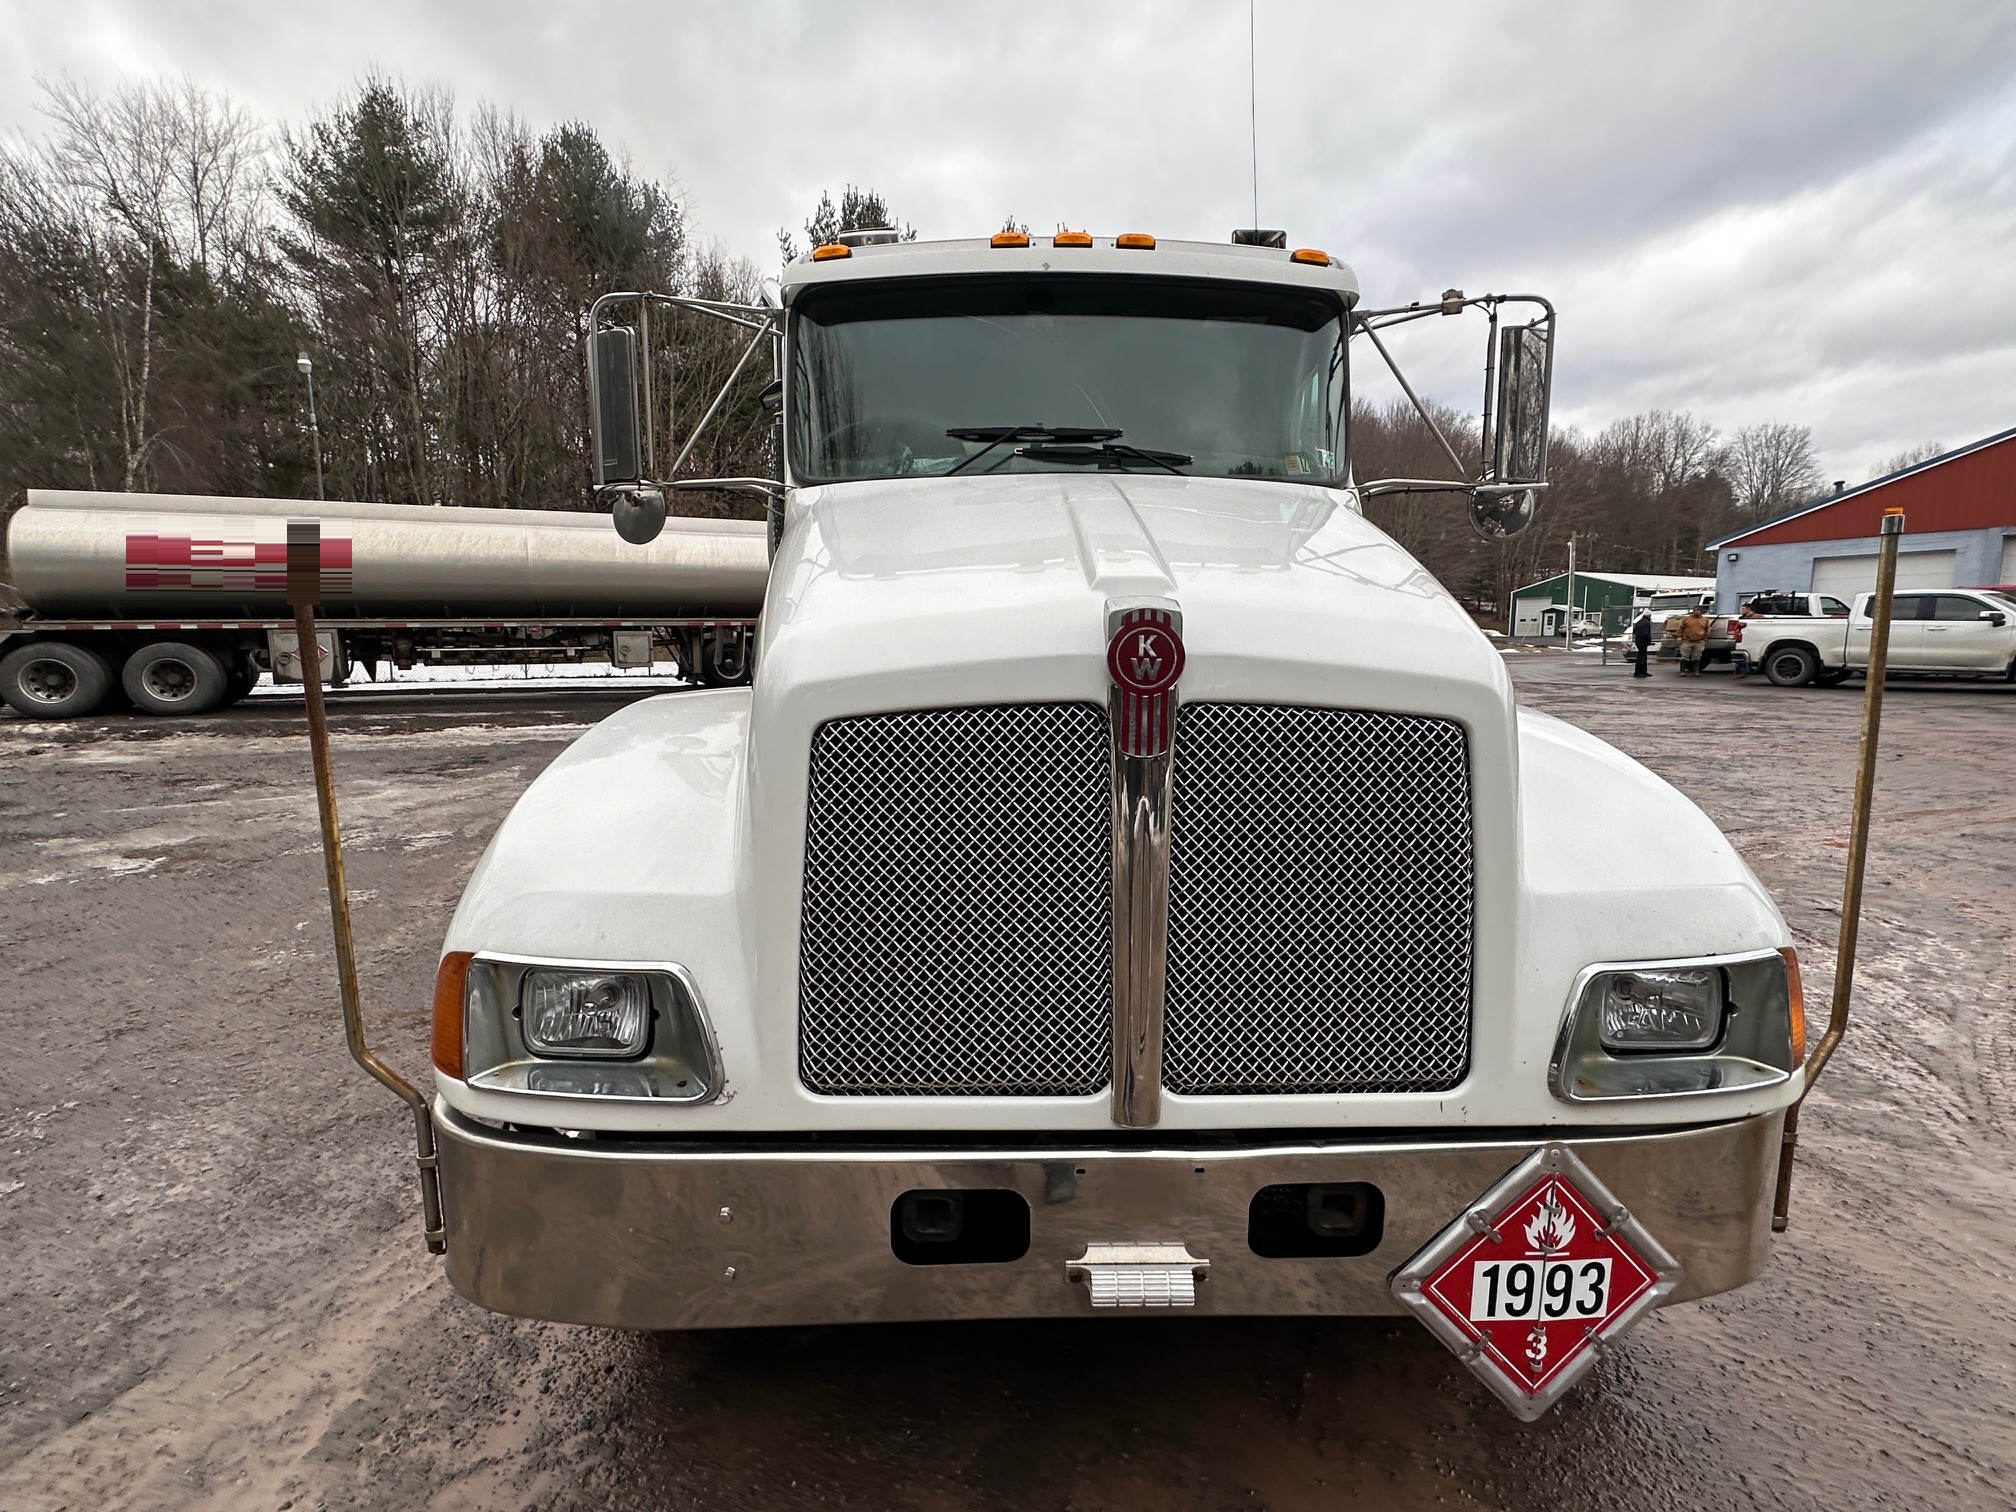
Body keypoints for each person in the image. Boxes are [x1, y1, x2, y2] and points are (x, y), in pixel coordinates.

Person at [1676, 607, 1712, 674]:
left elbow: (1707, 629)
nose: (1696, 611)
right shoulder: (1686, 619)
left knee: (1696, 657)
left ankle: (1696, 671)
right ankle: (1682, 671)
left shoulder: (1705, 620)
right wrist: (1679, 637)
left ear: (1701, 611)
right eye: (1694, 610)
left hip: (1699, 641)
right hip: (1687, 640)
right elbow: (1680, 628)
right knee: (1684, 656)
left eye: (1698, 610)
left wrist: (1705, 637)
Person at [1630, 609, 1653, 678]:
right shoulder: (1646, 623)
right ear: (1649, 616)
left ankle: (1641, 672)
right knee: (1642, 657)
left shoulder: (1639, 622)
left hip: (1638, 641)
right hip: (1643, 642)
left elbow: (1634, 631)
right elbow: (1646, 634)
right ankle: (1640, 672)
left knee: (1641, 656)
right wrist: (1649, 640)